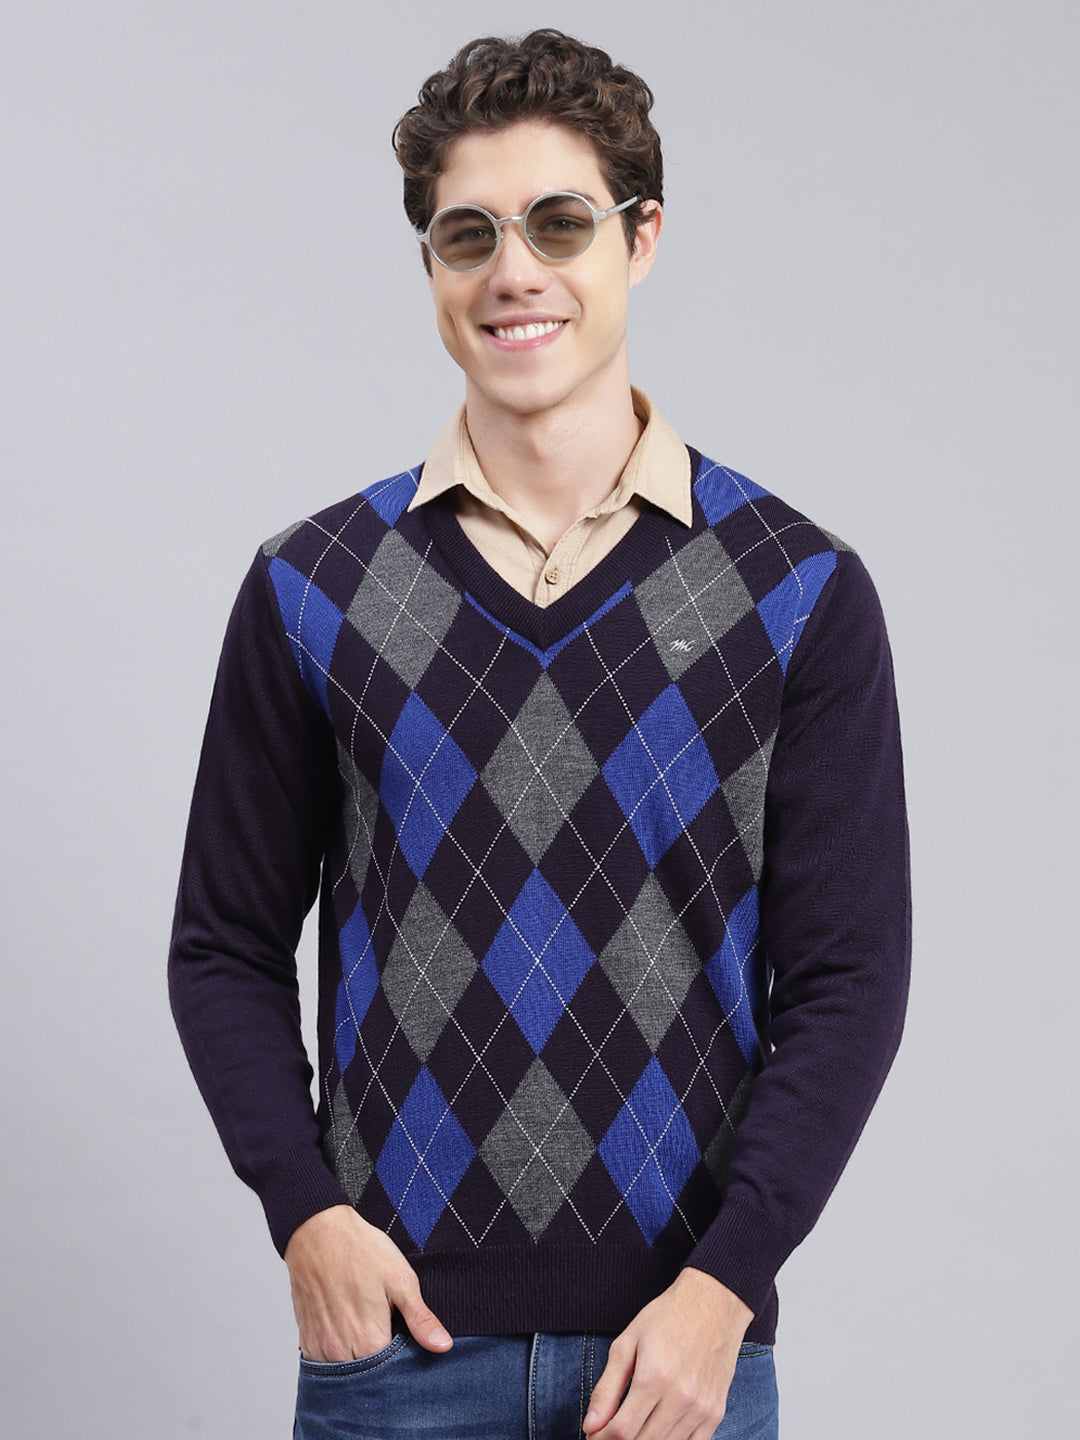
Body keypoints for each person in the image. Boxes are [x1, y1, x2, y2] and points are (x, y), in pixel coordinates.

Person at [169, 29, 910, 1440]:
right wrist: (305, 1219)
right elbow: (220, 945)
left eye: (559, 223)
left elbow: (849, 979)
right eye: (470, 235)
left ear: (641, 238)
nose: (514, 271)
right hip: (399, 1356)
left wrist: (726, 1288)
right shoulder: (314, 589)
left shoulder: (797, 592)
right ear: (432, 269)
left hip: (679, 1360)